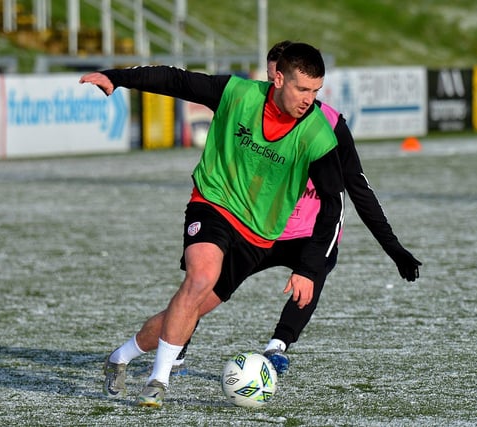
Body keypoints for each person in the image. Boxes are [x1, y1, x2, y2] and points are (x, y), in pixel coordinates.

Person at [79, 42, 345, 408]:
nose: (309, 99)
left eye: (316, 91)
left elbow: (333, 206)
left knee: (192, 307)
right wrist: (117, 77)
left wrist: (308, 268)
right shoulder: (237, 94)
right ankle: (158, 382)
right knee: (200, 278)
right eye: (302, 89)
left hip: (258, 236)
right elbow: (177, 81)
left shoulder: (318, 134)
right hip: (213, 203)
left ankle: (119, 358)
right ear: (278, 78)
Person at [174, 40, 422, 375]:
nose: (273, 79)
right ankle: (176, 344)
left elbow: (356, 189)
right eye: (270, 72)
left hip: (305, 231)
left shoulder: (329, 125)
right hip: (257, 226)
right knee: (208, 285)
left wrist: (393, 247)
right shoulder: (251, 105)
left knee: (319, 262)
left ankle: (277, 346)